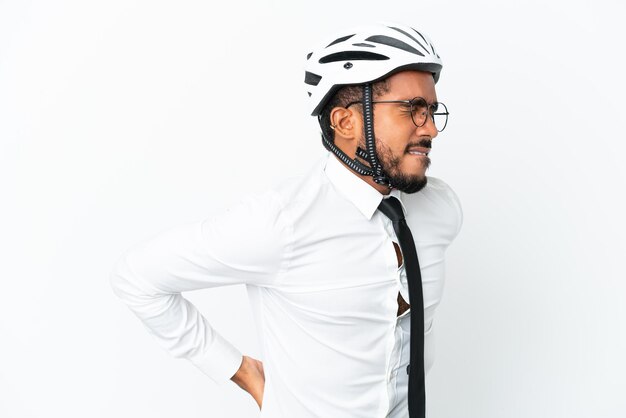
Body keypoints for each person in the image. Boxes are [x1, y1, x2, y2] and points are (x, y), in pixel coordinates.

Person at [110, 22, 463, 418]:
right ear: (346, 122)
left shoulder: (440, 210)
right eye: (412, 109)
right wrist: (242, 372)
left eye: (432, 110)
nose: (430, 127)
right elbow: (137, 277)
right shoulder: (281, 224)